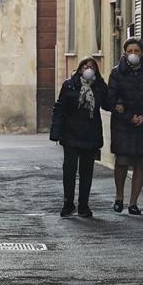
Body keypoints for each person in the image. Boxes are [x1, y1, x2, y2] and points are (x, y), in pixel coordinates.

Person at [107, 38, 143, 215]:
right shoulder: (117, 73)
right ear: (124, 53)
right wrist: (128, 116)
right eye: (130, 51)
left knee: (141, 164)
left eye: (136, 51)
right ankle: (119, 197)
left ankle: (133, 202)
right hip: (123, 125)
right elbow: (111, 99)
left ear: (142, 53)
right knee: (122, 162)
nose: (133, 54)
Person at [49, 57, 110, 217]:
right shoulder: (69, 85)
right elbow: (60, 108)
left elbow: (108, 104)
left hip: (90, 134)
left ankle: (83, 205)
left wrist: (108, 90)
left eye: (91, 67)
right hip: (70, 134)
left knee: (86, 171)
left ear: (96, 70)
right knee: (69, 170)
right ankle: (68, 203)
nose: (88, 69)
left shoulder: (99, 87)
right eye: (85, 66)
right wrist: (55, 132)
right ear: (80, 69)